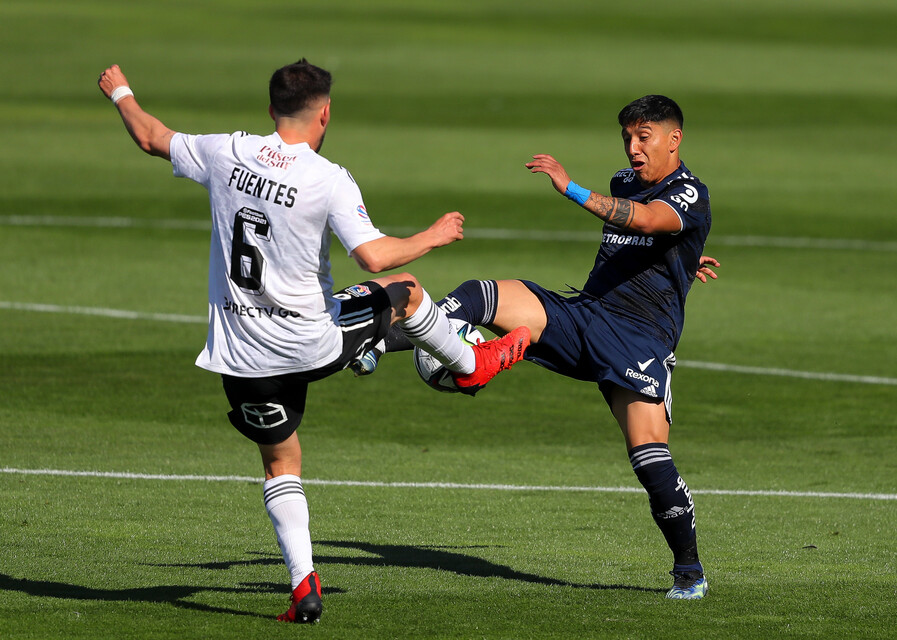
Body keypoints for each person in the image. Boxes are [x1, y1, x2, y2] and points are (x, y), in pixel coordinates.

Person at [97, 59, 529, 623]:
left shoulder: (227, 152)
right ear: (324, 113)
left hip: (240, 356)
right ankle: (469, 362)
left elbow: (151, 136)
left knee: (281, 462)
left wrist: (121, 91)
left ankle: (304, 589)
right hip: (309, 342)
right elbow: (374, 256)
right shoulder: (327, 178)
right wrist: (434, 235)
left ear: (270, 108)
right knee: (405, 290)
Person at [358, 95, 717, 599]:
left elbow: (645, 221)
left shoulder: (689, 192)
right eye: (627, 138)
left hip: (638, 338)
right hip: (583, 315)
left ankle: (689, 571)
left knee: (650, 459)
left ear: (673, 139)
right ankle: (379, 342)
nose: (633, 148)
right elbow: (643, 233)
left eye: (644, 137)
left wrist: (570, 188)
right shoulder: (625, 181)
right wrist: (682, 257)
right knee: (479, 295)